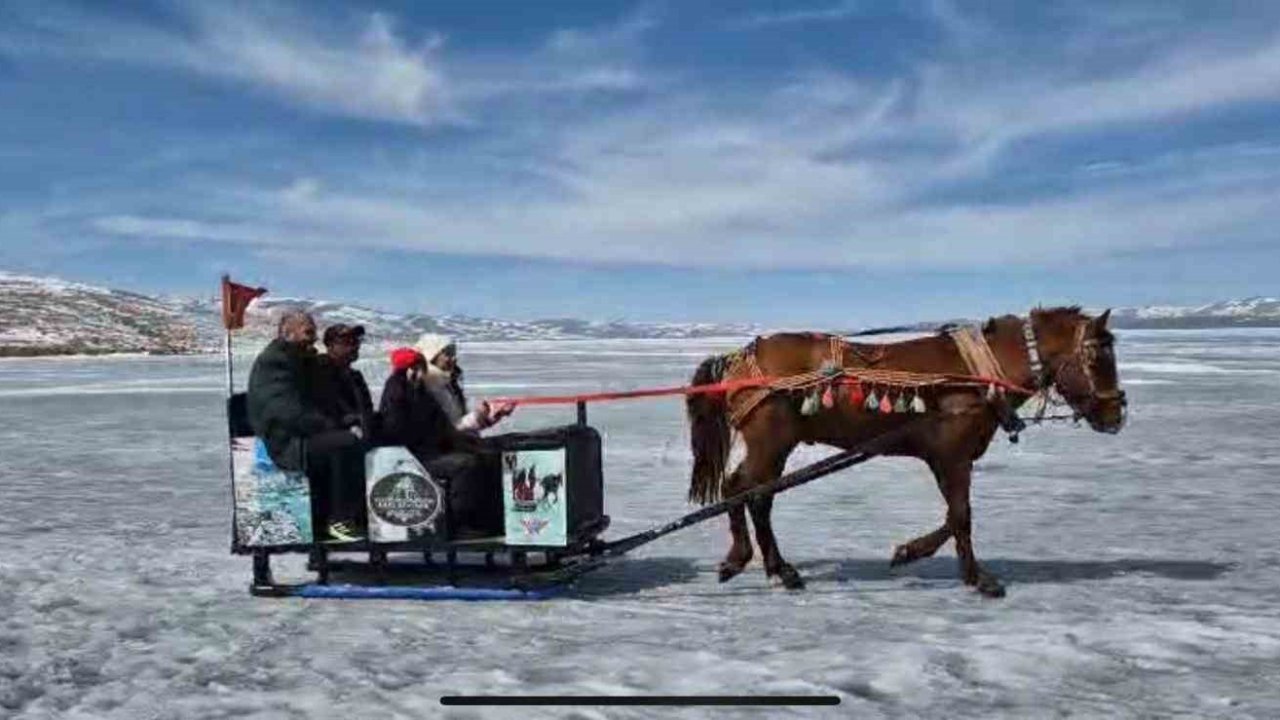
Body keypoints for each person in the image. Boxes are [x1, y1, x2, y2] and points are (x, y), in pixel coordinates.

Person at [246, 311, 367, 542]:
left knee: (352, 438)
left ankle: (354, 514)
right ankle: (339, 520)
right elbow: (286, 410)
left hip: (301, 433)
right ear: (288, 332)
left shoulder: (300, 359)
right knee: (344, 444)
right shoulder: (275, 361)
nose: (314, 338)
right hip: (286, 441)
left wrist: (344, 420)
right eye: (308, 332)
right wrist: (330, 425)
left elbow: (322, 398)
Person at [378, 347, 503, 537]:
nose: (423, 371)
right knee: (465, 465)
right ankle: (460, 522)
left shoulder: (420, 391)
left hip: (430, 448)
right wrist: (438, 440)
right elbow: (399, 430)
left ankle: (489, 517)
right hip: (413, 455)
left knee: (486, 456)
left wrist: (459, 439)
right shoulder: (398, 392)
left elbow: (441, 424)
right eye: (418, 367)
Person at [412, 333, 515, 434]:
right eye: (448, 353)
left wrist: (494, 415)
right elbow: (437, 435)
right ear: (431, 356)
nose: (454, 358)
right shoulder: (424, 388)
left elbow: (464, 428)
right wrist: (477, 415)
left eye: (454, 353)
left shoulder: (447, 384)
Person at [315, 323, 376, 441]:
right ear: (330, 346)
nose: (355, 346)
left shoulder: (355, 377)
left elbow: (367, 410)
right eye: (347, 341)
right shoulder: (318, 372)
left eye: (356, 341)